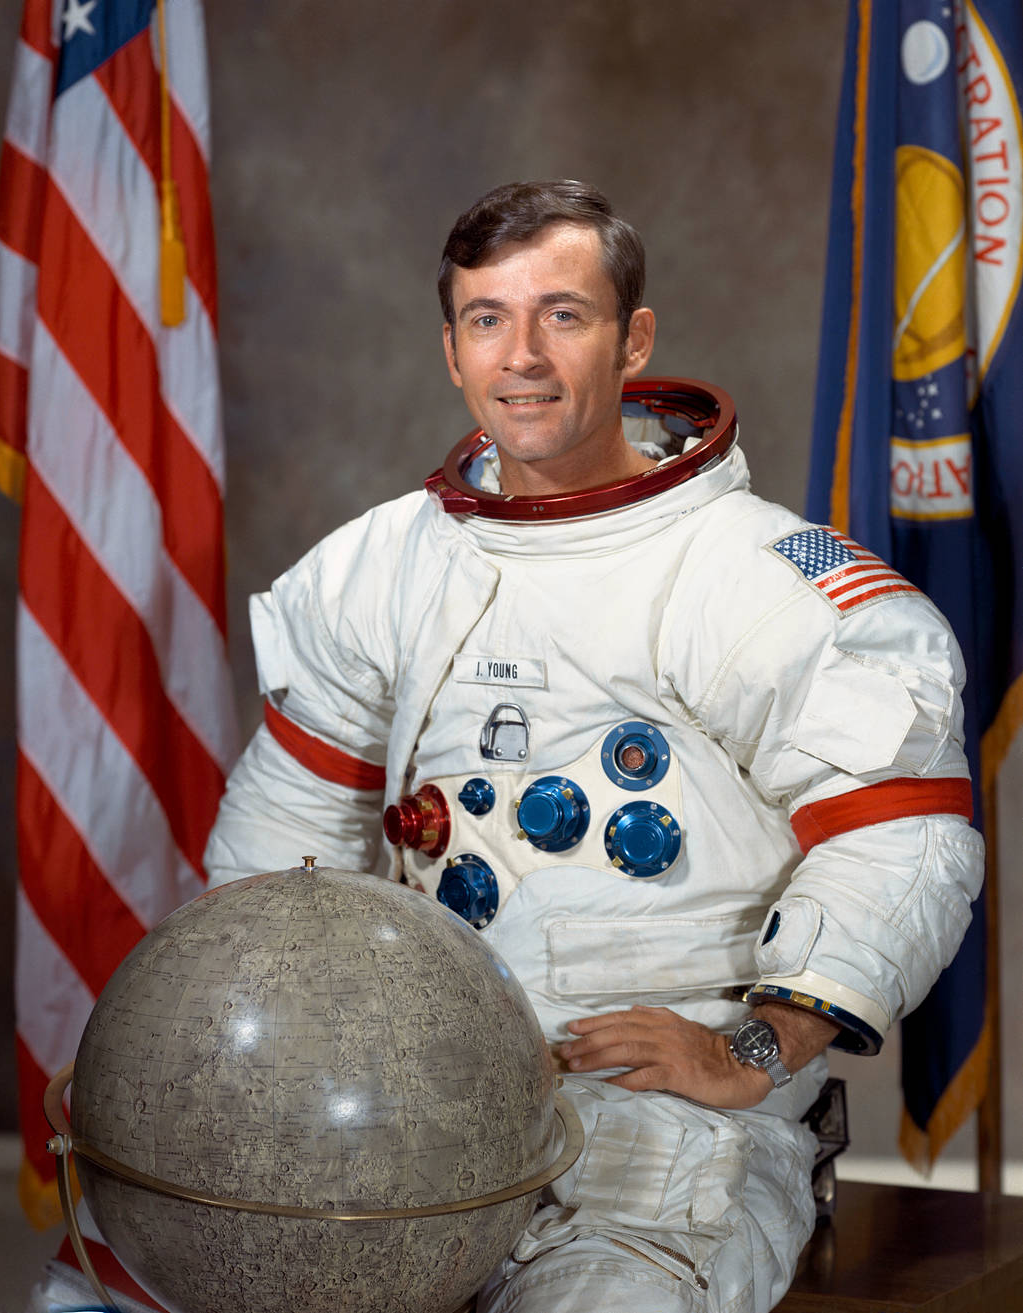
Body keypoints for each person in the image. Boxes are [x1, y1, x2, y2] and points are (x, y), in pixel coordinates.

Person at [205, 180, 984, 1312]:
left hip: (675, 1111)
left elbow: (905, 835)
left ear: (635, 340)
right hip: (416, 1085)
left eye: (563, 315)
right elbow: (283, 856)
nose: (521, 355)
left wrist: (757, 1051)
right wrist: (201, 1035)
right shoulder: (378, 568)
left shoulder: (756, 577)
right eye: (488, 319)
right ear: (451, 348)